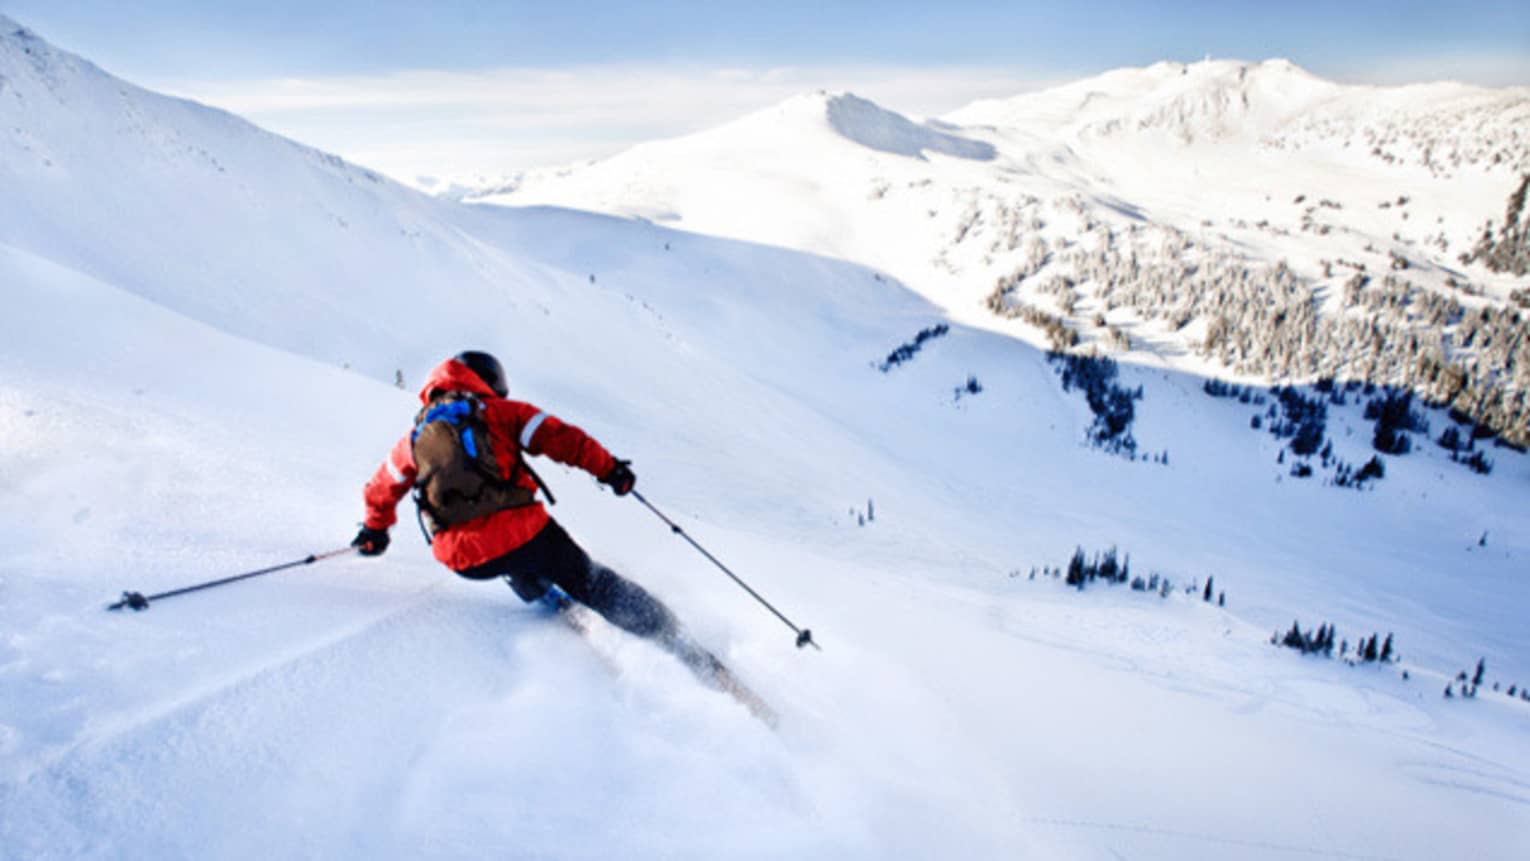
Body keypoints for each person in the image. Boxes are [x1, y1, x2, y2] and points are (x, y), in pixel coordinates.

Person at [352, 350, 681, 641]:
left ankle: (546, 597)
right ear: (489, 380)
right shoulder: (502, 412)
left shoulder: (414, 438)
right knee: (588, 580)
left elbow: (380, 488)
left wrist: (374, 532)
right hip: (526, 537)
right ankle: (674, 638)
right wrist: (610, 470)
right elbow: (562, 439)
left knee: (507, 559)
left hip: (463, 560)